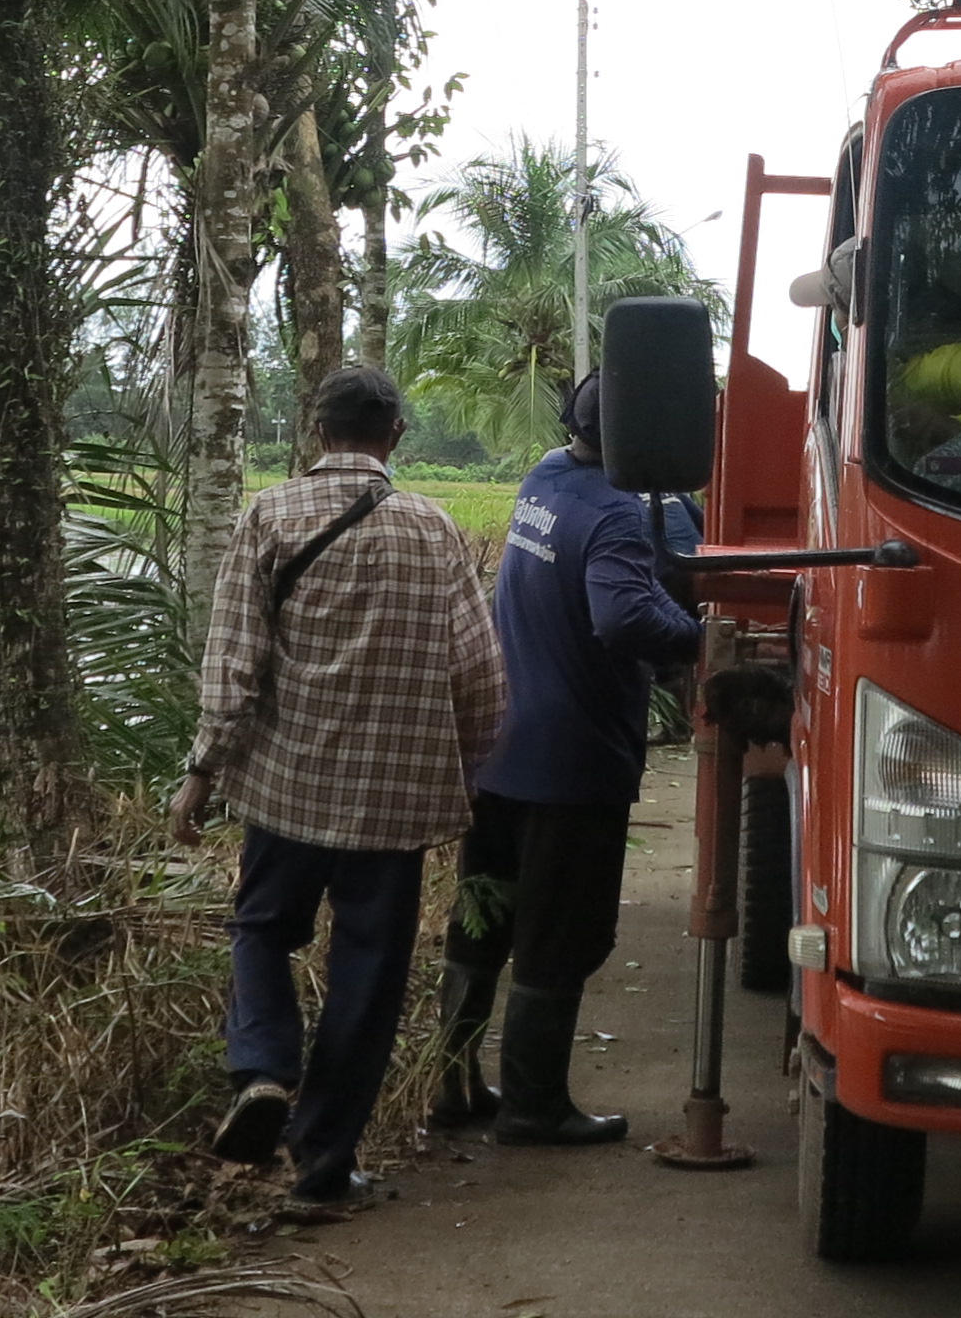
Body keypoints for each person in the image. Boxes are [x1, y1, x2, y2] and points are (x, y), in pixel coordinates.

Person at [177, 366, 505, 1215]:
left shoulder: (270, 515)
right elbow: (480, 675)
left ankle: (263, 1069)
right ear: (394, 433)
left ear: (317, 432)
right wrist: (462, 766)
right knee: (368, 973)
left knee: (260, 929)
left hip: (286, 788)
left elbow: (234, 664)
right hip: (394, 805)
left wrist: (203, 770)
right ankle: (323, 1166)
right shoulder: (435, 530)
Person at [426, 372, 699, 1146]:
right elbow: (622, 616)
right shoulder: (618, 514)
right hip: (572, 759)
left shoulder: (547, 477)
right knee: (560, 933)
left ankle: (452, 1088)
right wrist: (700, 635)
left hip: (502, 746)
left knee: (483, 924)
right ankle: (534, 1105)